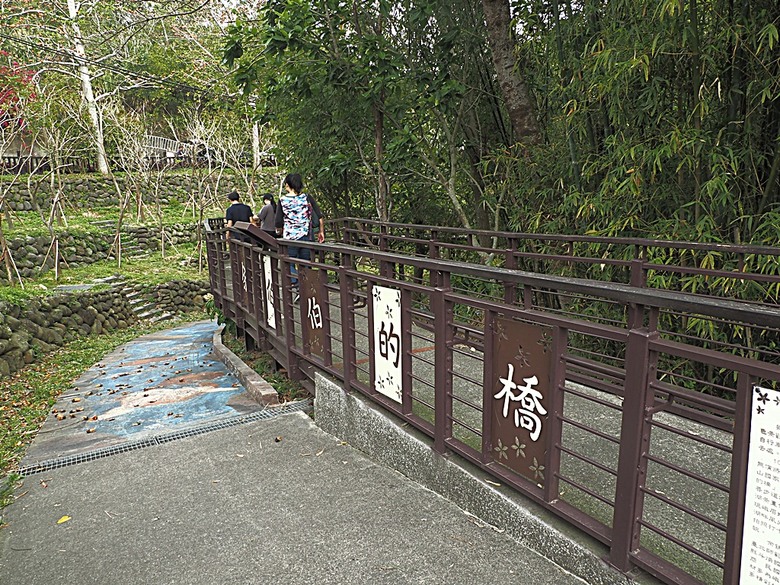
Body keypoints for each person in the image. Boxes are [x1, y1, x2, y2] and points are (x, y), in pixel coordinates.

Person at [275, 174, 325, 296]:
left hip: (289, 239)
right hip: (306, 237)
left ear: (287, 185)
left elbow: (278, 222)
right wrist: (321, 232)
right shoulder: (307, 198)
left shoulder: (282, 200)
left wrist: (279, 231)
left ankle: (297, 284)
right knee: (305, 264)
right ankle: (306, 291)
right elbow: (319, 216)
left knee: (286, 264)